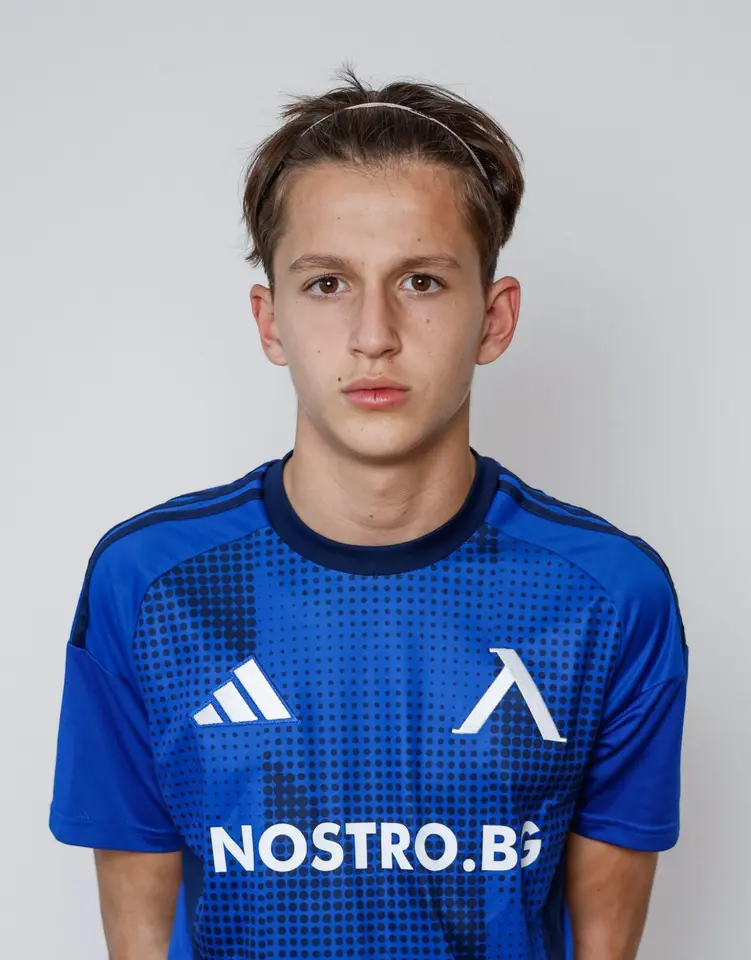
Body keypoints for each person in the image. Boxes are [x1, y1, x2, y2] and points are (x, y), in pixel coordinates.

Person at [49, 65, 688, 960]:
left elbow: (604, 944)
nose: (374, 335)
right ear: (270, 322)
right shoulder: (151, 585)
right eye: (327, 284)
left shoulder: (610, 595)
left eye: (421, 281)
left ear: (494, 318)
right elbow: (140, 938)